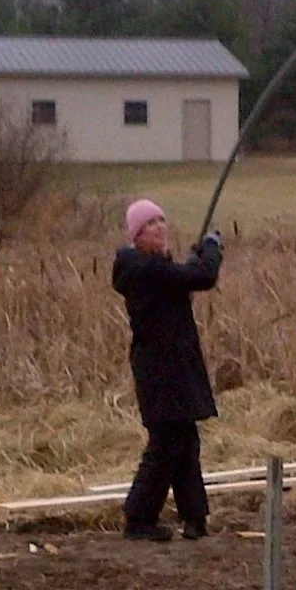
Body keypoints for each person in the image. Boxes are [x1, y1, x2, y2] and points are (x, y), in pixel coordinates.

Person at [112, 198, 224, 542]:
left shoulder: (154, 268)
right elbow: (201, 277)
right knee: (165, 443)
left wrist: (194, 258)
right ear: (137, 235)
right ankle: (138, 518)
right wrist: (211, 249)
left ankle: (195, 518)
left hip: (171, 366)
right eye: (150, 224)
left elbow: (183, 277)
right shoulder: (143, 269)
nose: (160, 226)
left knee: (184, 441)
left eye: (162, 219)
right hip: (161, 371)